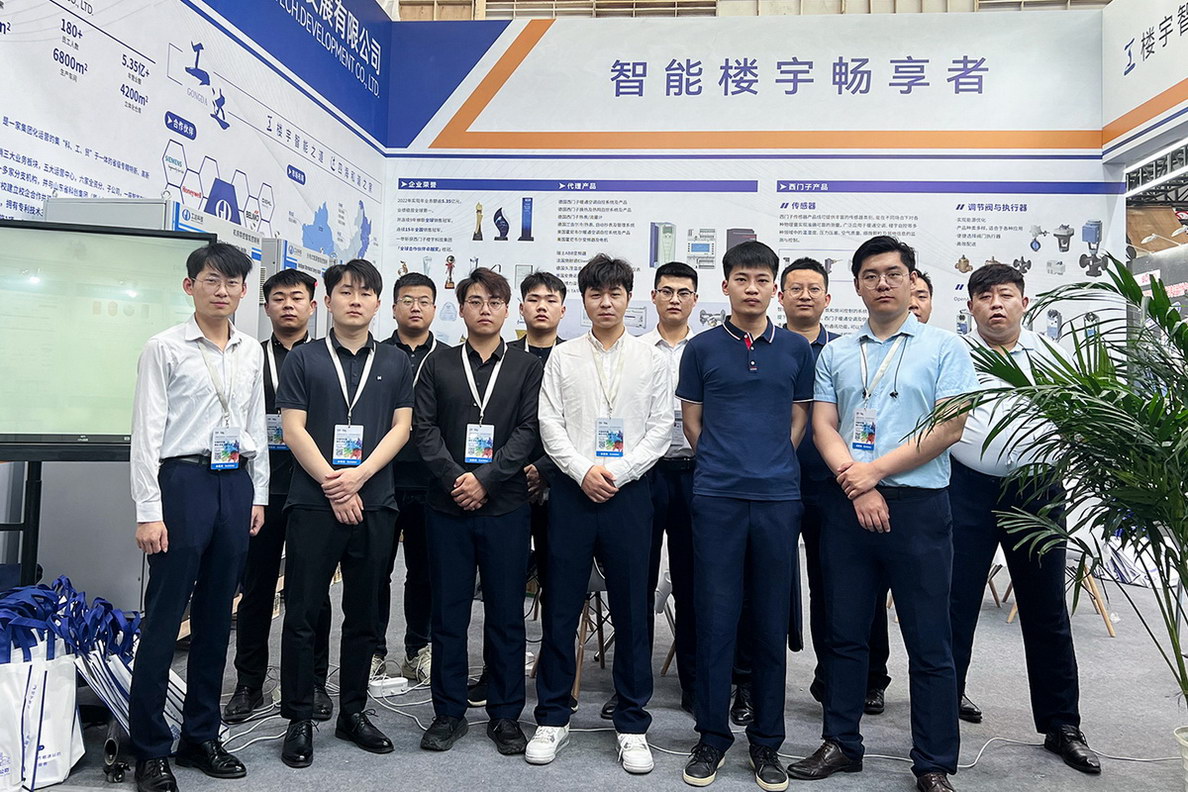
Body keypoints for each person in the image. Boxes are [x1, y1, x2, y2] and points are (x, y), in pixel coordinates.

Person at [790, 235, 977, 792]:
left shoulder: (946, 348)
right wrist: (856, 481)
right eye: (870, 275)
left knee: (929, 640)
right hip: (847, 505)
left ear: (911, 280)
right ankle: (841, 742)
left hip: (918, 509)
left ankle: (934, 761)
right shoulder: (837, 352)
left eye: (893, 273)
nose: (883, 284)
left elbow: (950, 427)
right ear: (857, 286)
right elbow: (824, 424)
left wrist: (874, 473)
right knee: (844, 632)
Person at [948, 263, 1100, 774]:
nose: (996, 304)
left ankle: (1062, 724)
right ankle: (943, 707)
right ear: (971, 306)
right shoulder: (953, 355)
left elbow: (1083, 420)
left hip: (1037, 491)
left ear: (1023, 302)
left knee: (1046, 607)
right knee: (955, 603)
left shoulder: (1055, 357)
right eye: (985, 296)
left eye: (1005, 295)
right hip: (964, 487)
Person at [129, 242, 267, 792]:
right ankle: (149, 748)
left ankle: (200, 736)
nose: (222, 291)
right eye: (212, 280)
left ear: (243, 291)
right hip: (181, 482)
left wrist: (258, 495)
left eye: (232, 283)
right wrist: (148, 510)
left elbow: (255, 424)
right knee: (165, 619)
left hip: (234, 481)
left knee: (216, 616)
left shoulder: (251, 350)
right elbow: (146, 434)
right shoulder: (164, 347)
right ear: (190, 286)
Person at [527, 254, 671, 774]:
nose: (605, 302)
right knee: (561, 607)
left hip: (629, 495)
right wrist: (583, 470)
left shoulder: (651, 359)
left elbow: (661, 427)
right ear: (583, 300)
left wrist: (621, 472)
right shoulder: (563, 357)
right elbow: (549, 424)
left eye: (615, 293)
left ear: (629, 297)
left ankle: (632, 724)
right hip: (572, 493)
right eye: (595, 294)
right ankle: (552, 716)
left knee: (632, 609)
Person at [678, 241, 815, 792]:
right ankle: (711, 737)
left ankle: (767, 742)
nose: (752, 288)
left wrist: (773, 462)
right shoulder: (702, 348)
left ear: (774, 289)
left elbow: (800, 417)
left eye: (762, 280)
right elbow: (692, 420)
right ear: (726, 286)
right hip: (717, 496)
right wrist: (721, 463)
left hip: (778, 498)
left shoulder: (796, 349)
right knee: (715, 618)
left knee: (768, 620)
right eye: (742, 279)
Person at [275, 259, 414, 768]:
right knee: (303, 612)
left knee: (365, 615)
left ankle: (353, 712)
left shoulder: (396, 361)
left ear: (378, 303)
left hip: (374, 501)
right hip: (314, 502)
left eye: (365, 293)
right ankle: (298, 718)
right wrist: (334, 484)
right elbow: (293, 428)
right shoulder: (303, 358)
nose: (355, 300)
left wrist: (358, 477)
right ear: (327, 301)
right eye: (345, 291)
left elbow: (401, 428)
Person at [414, 267, 544, 755]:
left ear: (507, 310)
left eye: (494, 302)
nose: (484, 309)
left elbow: (530, 431)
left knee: (506, 615)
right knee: (448, 614)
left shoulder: (527, 367)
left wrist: (486, 479)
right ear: (461, 308)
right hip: (446, 507)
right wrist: (458, 479)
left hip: (506, 507)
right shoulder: (437, 364)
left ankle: (506, 715)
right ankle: (447, 713)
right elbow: (424, 430)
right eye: (475, 301)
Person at [225, 270, 334, 726]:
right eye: (279, 298)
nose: (288, 305)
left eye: (297, 298)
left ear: (313, 306)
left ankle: (312, 681)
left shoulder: (327, 359)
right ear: (266, 306)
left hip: (312, 489)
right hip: (260, 492)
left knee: (313, 592)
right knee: (256, 589)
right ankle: (249, 682)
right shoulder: (250, 357)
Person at [464, 271, 567, 708]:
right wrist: (506, 473)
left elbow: (576, 425)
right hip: (504, 488)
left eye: (550, 299)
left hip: (559, 484)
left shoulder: (573, 357)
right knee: (502, 590)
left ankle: (555, 679)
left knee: (559, 588)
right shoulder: (502, 355)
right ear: (519, 309)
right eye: (533, 299)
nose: (541, 306)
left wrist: (543, 469)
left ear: (563, 308)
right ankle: (496, 672)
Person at [376, 272, 448, 684]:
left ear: (435, 308)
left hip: (432, 480)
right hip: (381, 478)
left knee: (425, 572)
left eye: (423, 301)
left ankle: (419, 649)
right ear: (393, 308)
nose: (415, 307)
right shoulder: (377, 355)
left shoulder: (449, 358)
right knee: (376, 571)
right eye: (407, 300)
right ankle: (373, 652)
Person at [637, 261, 699, 718]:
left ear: (695, 299)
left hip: (696, 473)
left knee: (694, 580)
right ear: (654, 297)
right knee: (638, 579)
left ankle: (695, 685)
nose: (674, 299)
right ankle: (632, 683)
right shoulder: (637, 350)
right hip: (646, 472)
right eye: (666, 291)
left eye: (683, 292)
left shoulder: (709, 348)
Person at [778, 257, 840, 705]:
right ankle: (750, 682)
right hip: (772, 484)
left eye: (813, 288)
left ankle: (835, 678)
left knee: (833, 585)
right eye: (795, 288)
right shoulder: (765, 347)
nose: (804, 295)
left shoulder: (842, 351)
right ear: (780, 297)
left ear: (827, 298)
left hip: (830, 485)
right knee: (763, 584)